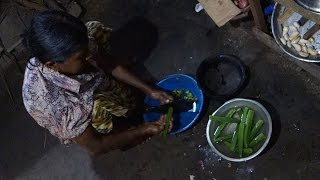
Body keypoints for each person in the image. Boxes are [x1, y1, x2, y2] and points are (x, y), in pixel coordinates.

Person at [22, 10, 173, 155]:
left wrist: (148, 89)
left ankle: (117, 93)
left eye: (87, 47)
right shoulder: (53, 104)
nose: (90, 54)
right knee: (104, 112)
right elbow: (95, 147)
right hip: (79, 113)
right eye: (81, 57)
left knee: (94, 29)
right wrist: (144, 130)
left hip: (90, 83)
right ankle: (120, 133)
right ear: (52, 65)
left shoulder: (78, 48)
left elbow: (107, 63)